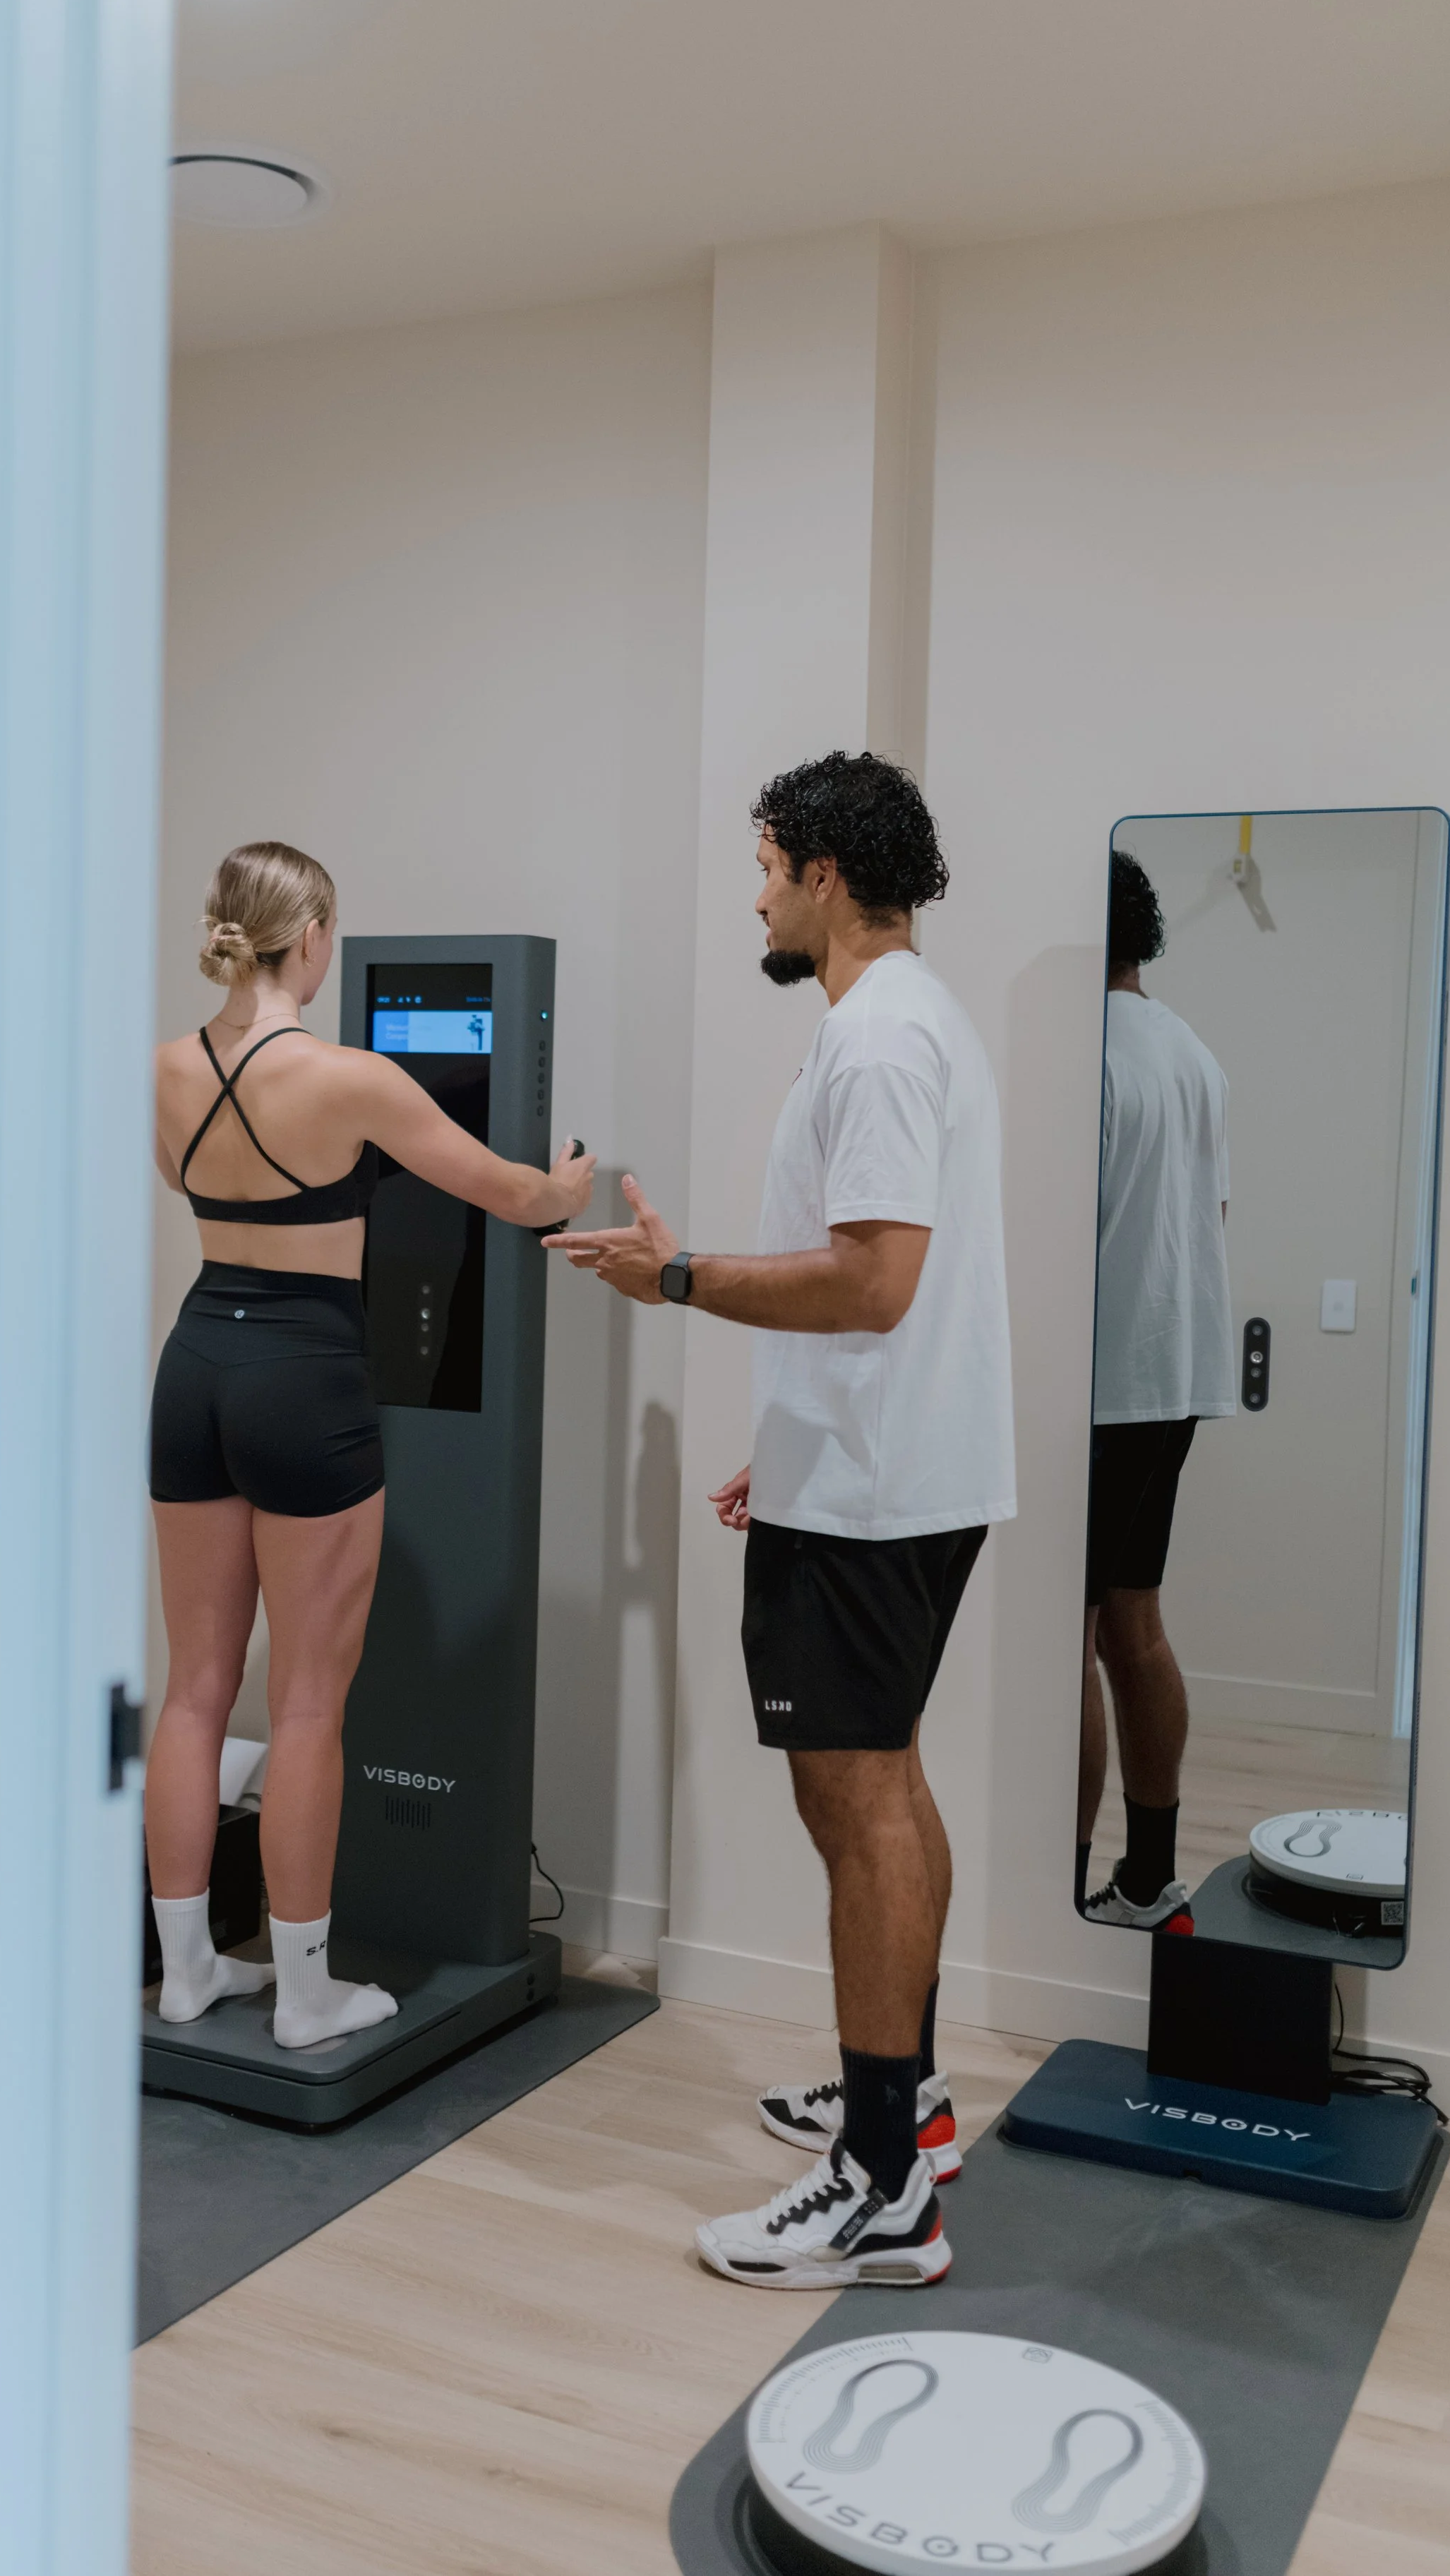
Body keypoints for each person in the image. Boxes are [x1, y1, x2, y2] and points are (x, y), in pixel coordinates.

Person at [553, 753, 1014, 2289]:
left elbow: (873, 1280)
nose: (752, 892)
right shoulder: (898, 1023)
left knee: (859, 1799)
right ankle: (908, 2098)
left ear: (821, 870)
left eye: (761, 864)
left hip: (879, 1495)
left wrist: (674, 1280)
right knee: (872, 1792)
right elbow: (887, 1301)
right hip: (871, 1470)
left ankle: (881, 2184)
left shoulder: (878, 1041)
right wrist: (789, 1445)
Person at [145, 841, 592, 2047]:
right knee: (305, 1705)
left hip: (194, 1369)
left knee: (194, 1689)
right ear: (317, 934)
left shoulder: (166, 1069)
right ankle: (303, 1992)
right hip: (306, 1377)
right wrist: (573, 1183)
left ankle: (188, 1972)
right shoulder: (354, 1078)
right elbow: (514, 1194)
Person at [1077, 848, 1235, 1929]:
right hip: (1176, 1375)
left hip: (1101, 1383)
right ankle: (1147, 1878)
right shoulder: (1194, 1053)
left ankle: (1061, 1892)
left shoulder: (1085, 1057)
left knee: (1067, 1638)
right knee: (1135, 1619)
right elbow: (1209, 1219)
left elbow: (1063, 1239)